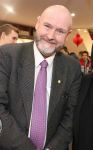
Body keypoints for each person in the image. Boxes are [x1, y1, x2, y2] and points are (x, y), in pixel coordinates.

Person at [0, 5, 81, 150]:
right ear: (37, 23)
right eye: (47, 26)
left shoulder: (72, 68)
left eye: (60, 31)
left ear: (68, 34)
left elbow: (70, 117)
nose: (50, 36)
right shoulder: (7, 56)